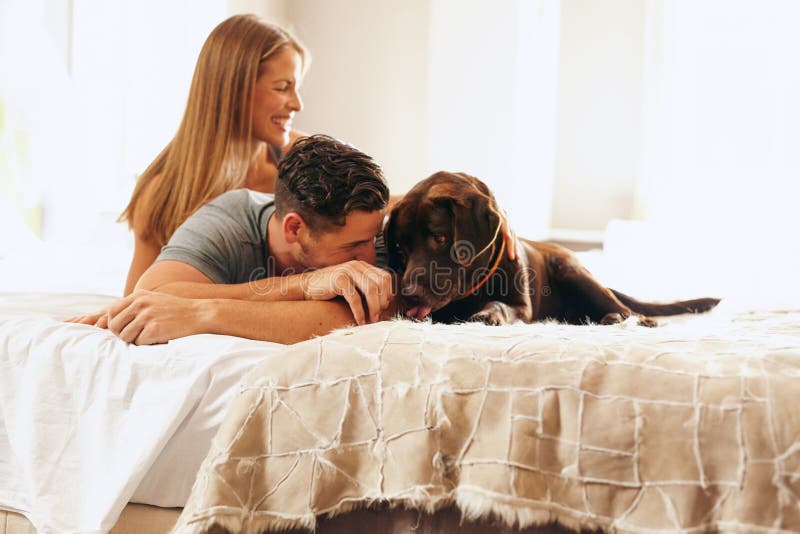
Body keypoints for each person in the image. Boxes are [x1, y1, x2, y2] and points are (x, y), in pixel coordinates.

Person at [71, 135, 394, 345]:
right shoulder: (230, 220)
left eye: (372, 238)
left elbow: (349, 320)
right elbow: (153, 295)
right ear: (294, 229)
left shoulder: (371, 233)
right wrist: (304, 286)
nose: (369, 255)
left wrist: (202, 313)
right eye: (351, 246)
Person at [120, 14, 308, 296]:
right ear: (235, 90)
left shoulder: (303, 161)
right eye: (283, 87)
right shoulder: (161, 193)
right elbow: (137, 302)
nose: (297, 104)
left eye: (296, 88)